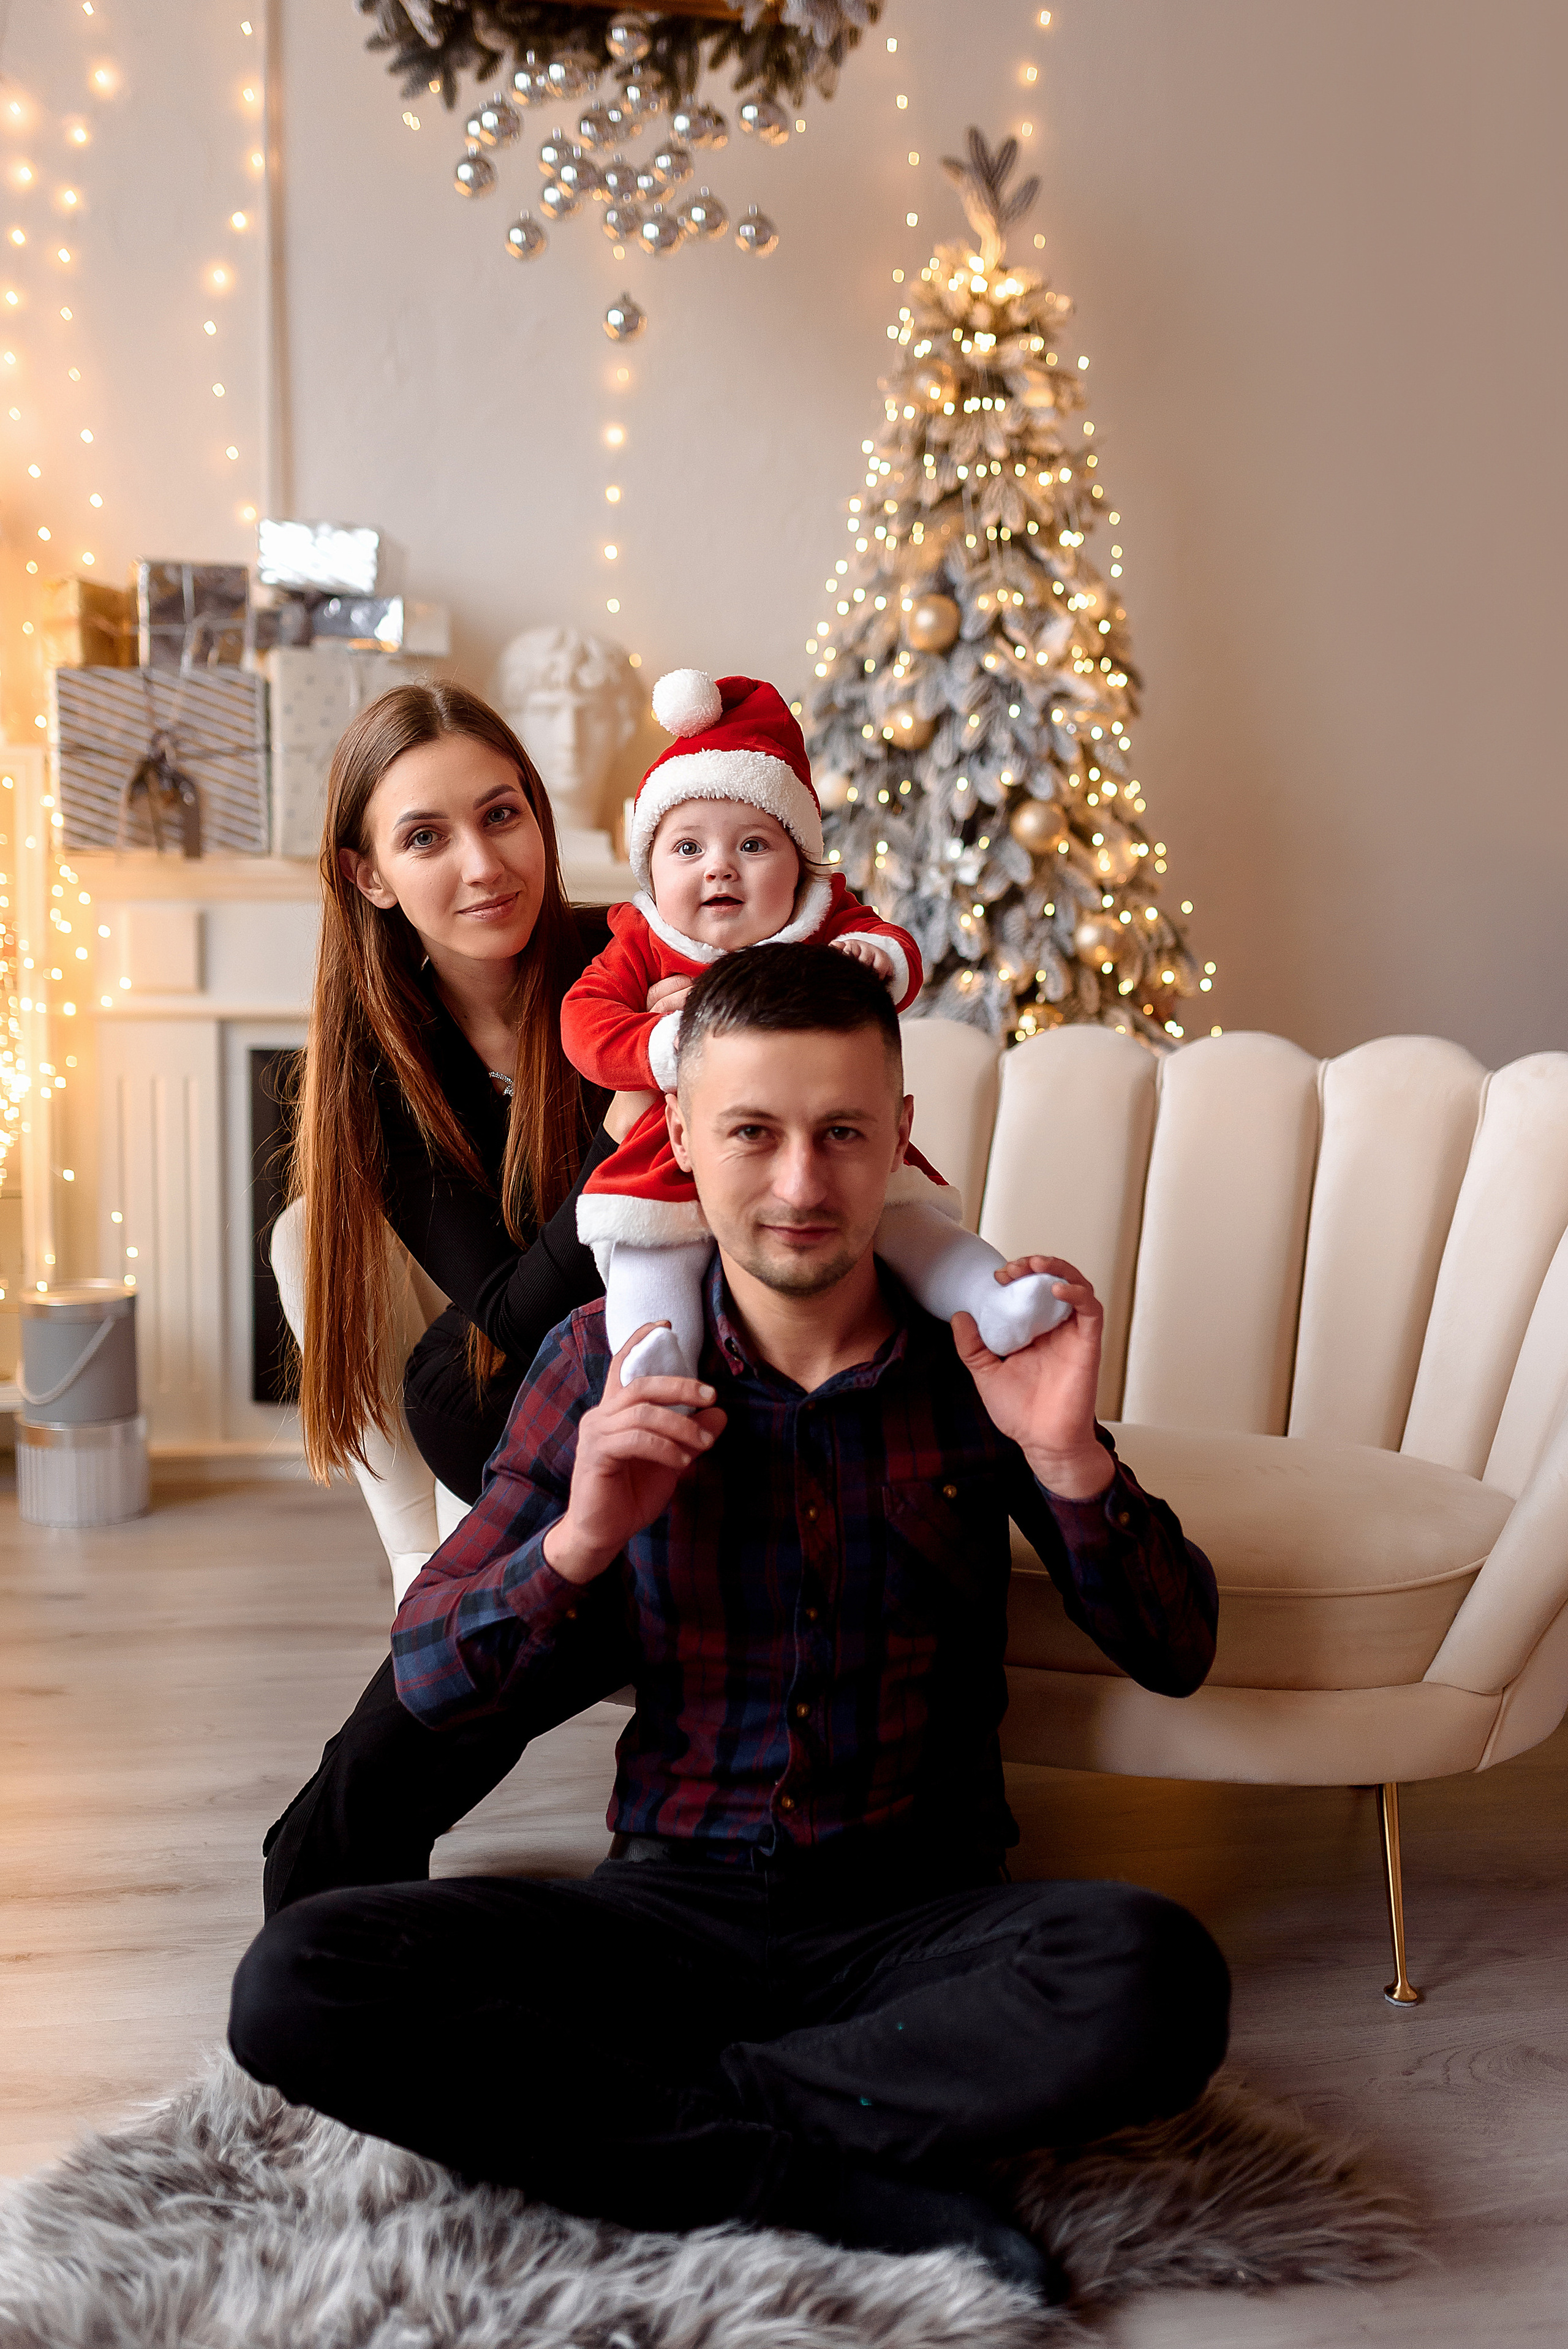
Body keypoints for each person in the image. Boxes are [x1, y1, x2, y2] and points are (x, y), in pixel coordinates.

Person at [232, 944, 1228, 2297]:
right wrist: (579, 1540)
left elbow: (1176, 1651)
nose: (802, 1183)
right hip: (665, 1916)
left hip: (911, 1926)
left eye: (840, 1135)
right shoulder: (598, 1362)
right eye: (752, 1134)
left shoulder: (979, 1363)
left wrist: (1067, 1461)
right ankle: (808, 2169)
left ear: (898, 1145)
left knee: (1153, 1979)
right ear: (683, 1142)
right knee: (298, 1981)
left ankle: (657, 2132)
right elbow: (433, 1682)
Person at [263, 681, 653, 1915]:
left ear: (539, 818)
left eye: (503, 815)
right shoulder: (387, 1068)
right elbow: (501, 1321)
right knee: (455, 1386)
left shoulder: (636, 971)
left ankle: (342, 1854)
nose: (484, 864)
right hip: (547, 1437)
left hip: (694, 1396)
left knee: (503, 1446)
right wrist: (623, 1177)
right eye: (426, 837)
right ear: (369, 875)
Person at [562, 666, 1070, 1385]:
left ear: (798, 867)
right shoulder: (642, 942)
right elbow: (584, 1023)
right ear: (648, 867)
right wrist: (658, 1045)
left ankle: (994, 1302)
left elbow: (900, 953)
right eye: (687, 849)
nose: (720, 871)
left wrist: (876, 957)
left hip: (828, 1141)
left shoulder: (825, 920)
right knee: (649, 1247)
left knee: (910, 1220)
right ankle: (655, 1362)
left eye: (752, 846)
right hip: (676, 1145)